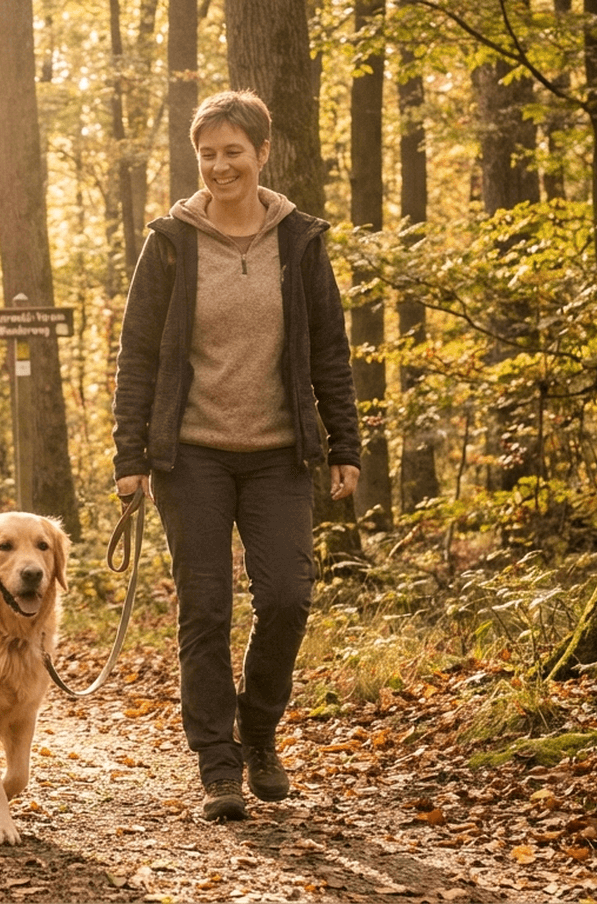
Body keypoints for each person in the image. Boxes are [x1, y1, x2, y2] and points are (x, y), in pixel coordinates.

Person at [111, 89, 361, 821]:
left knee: (287, 595)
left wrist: (344, 442)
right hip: (191, 458)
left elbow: (329, 353)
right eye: (207, 154)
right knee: (206, 609)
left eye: (232, 152)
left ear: (261, 153)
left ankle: (258, 729)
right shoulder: (171, 241)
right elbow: (139, 356)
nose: (220, 166)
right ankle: (218, 764)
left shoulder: (300, 240)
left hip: (281, 454)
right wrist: (131, 455)